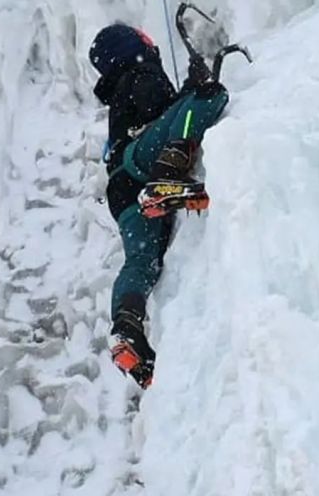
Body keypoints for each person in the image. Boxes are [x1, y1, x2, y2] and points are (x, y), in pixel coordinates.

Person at [89, 23, 228, 388]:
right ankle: (168, 175)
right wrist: (194, 86)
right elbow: (158, 107)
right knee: (210, 96)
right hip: (141, 162)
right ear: (133, 46)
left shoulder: (118, 89)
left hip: (120, 186)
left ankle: (127, 327)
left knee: (142, 259)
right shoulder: (139, 70)